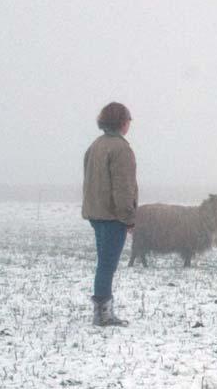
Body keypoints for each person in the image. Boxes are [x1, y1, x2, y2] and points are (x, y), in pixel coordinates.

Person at [81, 102, 138, 327]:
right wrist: (129, 218)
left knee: (103, 263)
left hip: (97, 214)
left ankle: (102, 310)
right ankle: (103, 314)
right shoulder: (121, 149)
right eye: (128, 120)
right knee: (107, 265)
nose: (129, 124)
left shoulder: (96, 145)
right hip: (113, 216)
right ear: (122, 122)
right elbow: (123, 188)